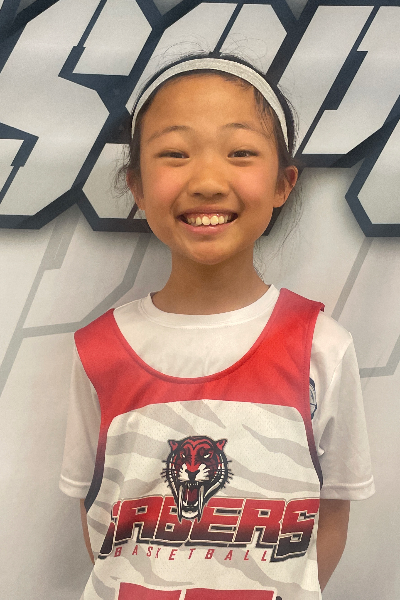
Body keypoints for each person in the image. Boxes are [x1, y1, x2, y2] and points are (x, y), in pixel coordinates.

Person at [59, 53, 375, 600]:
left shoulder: (323, 346)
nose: (207, 181)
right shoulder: (98, 350)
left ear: (283, 183)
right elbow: (97, 512)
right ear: (136, 186)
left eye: (240, 153)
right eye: (175, 154)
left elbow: (333, 516)